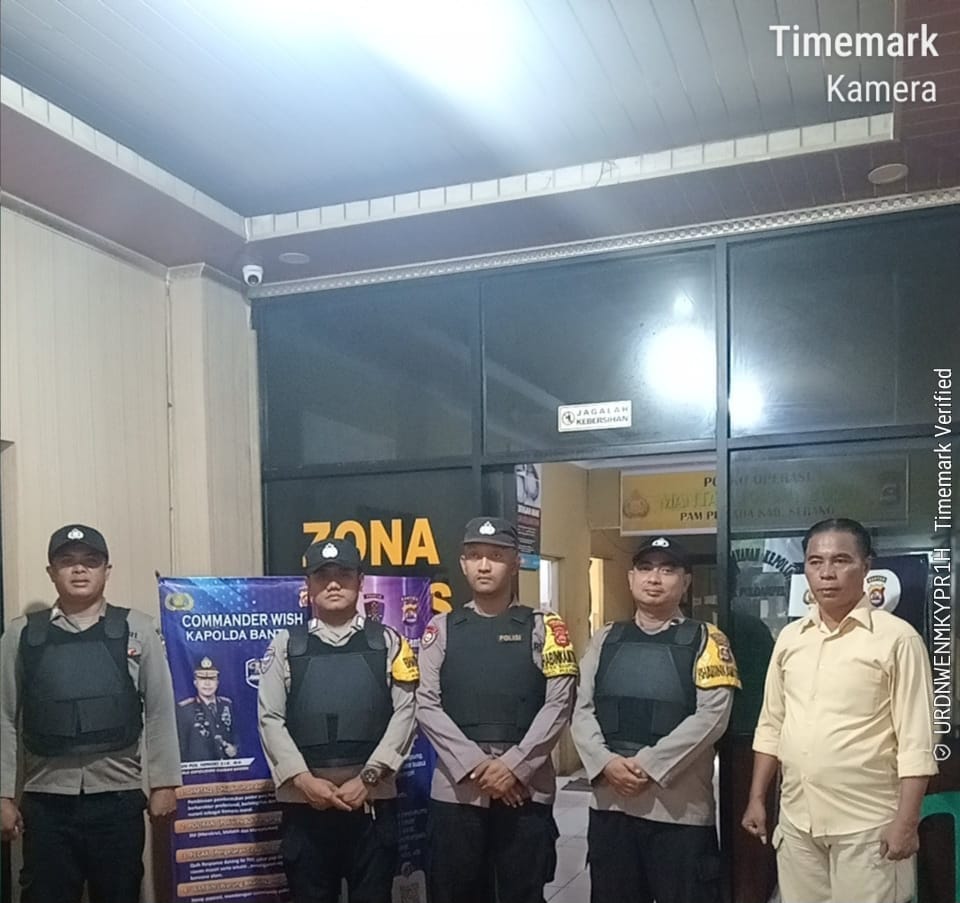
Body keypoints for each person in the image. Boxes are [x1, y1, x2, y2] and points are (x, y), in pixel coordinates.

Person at [741, 517, 938, 903]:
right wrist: (757, 798)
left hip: (867, 827)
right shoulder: (790, 639)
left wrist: (906, 822)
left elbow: (917, 741)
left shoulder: (897, 639)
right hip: (798, 821)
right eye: (815, 562)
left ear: (866, 567)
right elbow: (772, 723)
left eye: (840, 560)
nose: (826, 573)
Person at [0, 524, 181, 903]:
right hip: (46, 801)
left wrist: (164, 783)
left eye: (91, 561)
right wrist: (3, 796)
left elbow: (160, 711)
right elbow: (5, 716)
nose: (79, 569)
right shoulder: (21, 635)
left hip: (118, 800)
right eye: (67, 561)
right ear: (51, 572)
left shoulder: (137, 628)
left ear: (106, 570)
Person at [416, 516, 578, 903]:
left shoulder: (545, 627)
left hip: (526, 789)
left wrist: (514, 767)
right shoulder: (441, 628)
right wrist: (478, 766)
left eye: (496, 555)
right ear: (463, 563)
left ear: (515, 562)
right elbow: (425, 703)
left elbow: (560, 702)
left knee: (522, 893)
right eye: (475, 555)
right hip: (458, 791)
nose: (484, 565)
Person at [571, 535, 741, 903]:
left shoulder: (708, 639)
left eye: (667, 570)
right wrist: (606, 763)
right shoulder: (606, 638)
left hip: (679, 815)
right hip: (611, 807)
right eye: (645, 568)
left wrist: (648, 765)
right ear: (631, 578)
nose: (654, 578)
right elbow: (581, 708)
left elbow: (712, 716)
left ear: (686, 581)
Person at [257, 537, 419, 903]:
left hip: (372, 804)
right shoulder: (285, 645)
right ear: (308, 585)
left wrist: (368, 778)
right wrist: (303, 781)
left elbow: (406, 713)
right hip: (305, 806)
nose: (333, 584)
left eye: (343, 575)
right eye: (322, 576)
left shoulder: (389, 642)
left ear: (360, 581)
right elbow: (270, 718)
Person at [177, 655, 238, 761]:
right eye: (202, 679)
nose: (207, 683)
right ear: (195, 683)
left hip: (226, 767)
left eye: (211, 679)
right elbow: (182, 746)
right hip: (199, 767)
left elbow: (236, 735)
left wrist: (235, 748)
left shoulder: (227, 705)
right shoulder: (185, 710)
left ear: (217, 682)